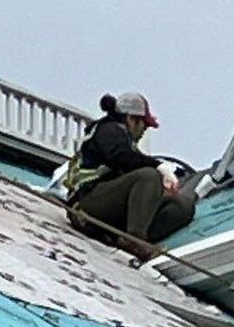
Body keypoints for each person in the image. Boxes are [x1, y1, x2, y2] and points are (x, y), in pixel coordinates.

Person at [60, 92, 197, 252]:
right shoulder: (108, 130)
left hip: (110, 211)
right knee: (149, 176)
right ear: (132, 119)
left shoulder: (126, 143)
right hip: (87, 203)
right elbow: (119, 157)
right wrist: (158, 166)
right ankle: (135, 239)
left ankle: (124, 238)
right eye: (143, 126)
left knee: (182, 205)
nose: (143, 132)